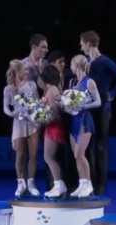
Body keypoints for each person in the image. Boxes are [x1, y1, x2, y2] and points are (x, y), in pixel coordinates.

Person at [79, 30, 116, 195]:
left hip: (102, 109)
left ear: (88, 43)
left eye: (81, 43)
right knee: (89, 147)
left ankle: (100, 185)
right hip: (89, 107)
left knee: (100, 146)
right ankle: (90, 183)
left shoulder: (104, 60)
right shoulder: (87, 62)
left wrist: (112, 94)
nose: (80, 47)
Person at [3, 59, 41, 197]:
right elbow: (5, 108)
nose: (27, 72)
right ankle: (20, 183)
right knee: (20, 155)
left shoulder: (31, 85)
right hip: (18, 123)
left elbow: (37, 102)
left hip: (32, 123)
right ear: (17, 72)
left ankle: (31, 183)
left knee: (33, 155)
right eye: (24, 69)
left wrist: (37, 113)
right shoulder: (9, 89)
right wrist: (13, 113)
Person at [66, 54, 101, 198]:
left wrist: (83, 105)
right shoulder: (73, 83)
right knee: (77, 156)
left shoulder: (89, 82)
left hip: (85, 120)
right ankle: (82, 184)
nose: (70, 67)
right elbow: (70, 104)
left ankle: (89, 184)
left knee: (79, 154)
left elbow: (98, 102)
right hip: (74, 120)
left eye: (71, 64)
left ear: (76, 65)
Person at [40, 65, 68, 198]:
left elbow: (55, 112)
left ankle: (59, 185)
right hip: (51, 126)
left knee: (49, 157)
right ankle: (58, 185)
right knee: (49, 157)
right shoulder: (52, 89)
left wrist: (43, 118)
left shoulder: (52, 90)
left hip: (54, 126)